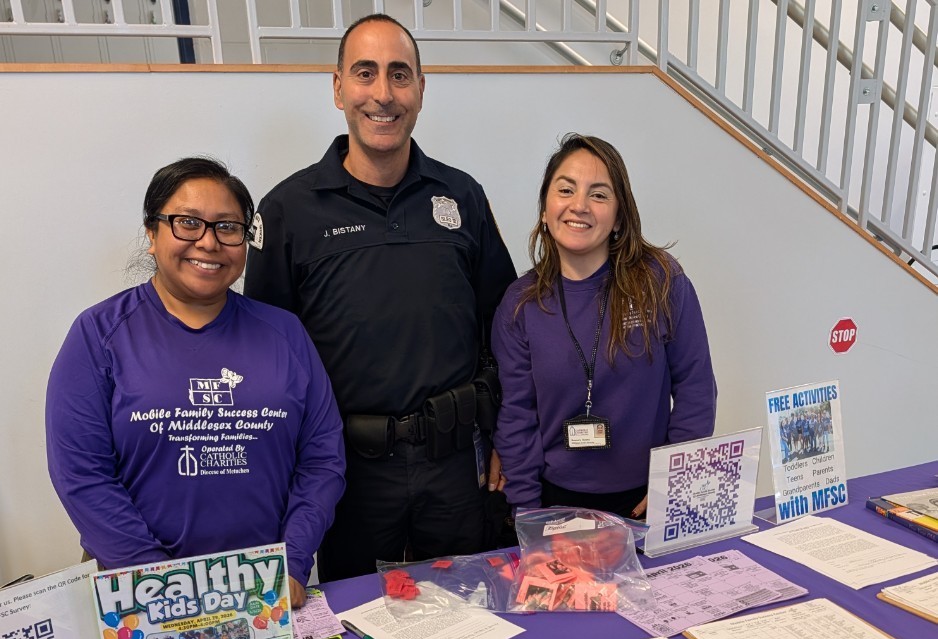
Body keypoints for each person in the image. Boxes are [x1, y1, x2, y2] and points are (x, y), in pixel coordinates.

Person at [244, 14, 516, 581]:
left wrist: (509, 439)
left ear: (421, 89)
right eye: (365, 73)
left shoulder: (462, 197)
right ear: (339, 86)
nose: (383, 94)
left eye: (399, 75)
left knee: (475, 612)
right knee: (364, 632)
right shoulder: (288, 210)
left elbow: (507, 326)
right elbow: (268, 360)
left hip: (456, 469)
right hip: (348, 476)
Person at [46, 157, 345, 608]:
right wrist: (158, 581)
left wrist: (293, 560)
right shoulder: (98, 335)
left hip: (266, 589)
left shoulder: (285, 333)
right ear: (151, 232)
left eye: (227, 227)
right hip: (141, 595)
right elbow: (82, 477)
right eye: (187, 223)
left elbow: (323, 459)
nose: (208, 242)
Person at [492, 133, 716, 519]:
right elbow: (517, 417)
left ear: (618, 217)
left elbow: (696, 389)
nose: (579, 206)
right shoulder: (520, 304)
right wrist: (527, 512)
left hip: (645, 502)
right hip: (554, 504)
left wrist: (672, 486)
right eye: (566, 190)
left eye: (598, 195)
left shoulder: (660, 282)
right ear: (545, 208)